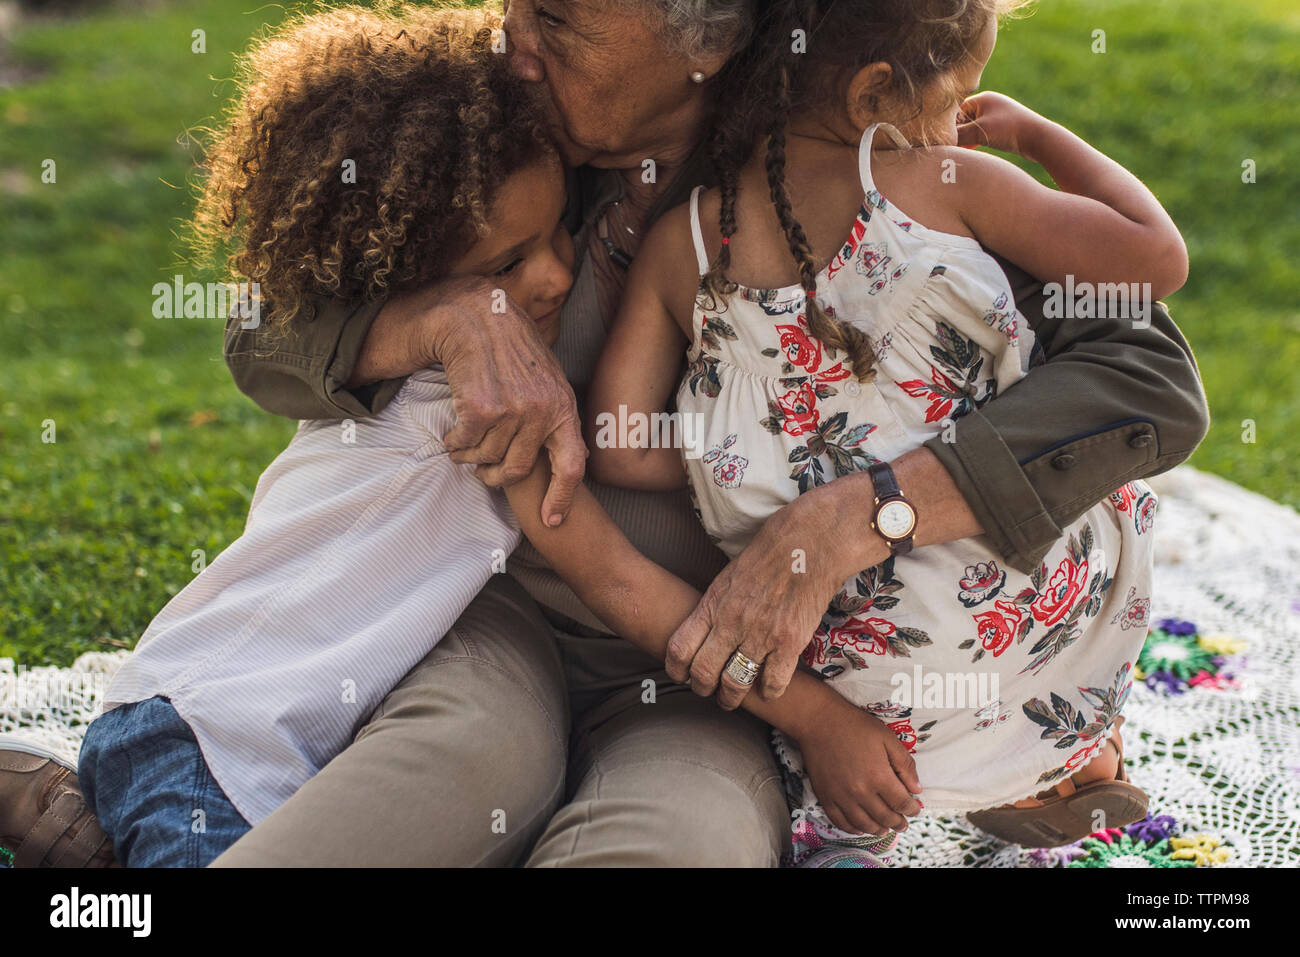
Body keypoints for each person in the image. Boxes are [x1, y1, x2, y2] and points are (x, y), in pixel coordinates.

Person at [1, 0, 1208, 868]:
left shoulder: (877, 160)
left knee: (676, 839)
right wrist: (443, 317)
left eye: (561, 18)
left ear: (712, 40)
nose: (512, 35)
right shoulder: (501, 127)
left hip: (734, 691)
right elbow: (261, 330)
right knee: (457, 772)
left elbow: (1148, 383)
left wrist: (858, 514)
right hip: (508, 622)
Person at [585, 0, 1180, 863]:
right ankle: (1070, 752)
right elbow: (1156, 264)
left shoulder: (681, 245)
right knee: (1104, 477)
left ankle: (843, 830)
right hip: (1030, 598)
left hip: (855, 675)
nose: (959, 121)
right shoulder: (947, 182)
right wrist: (1040, 137)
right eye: (958, 96)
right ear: (876, 92)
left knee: (862, 669)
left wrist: (751, 451)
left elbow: (622, 445)